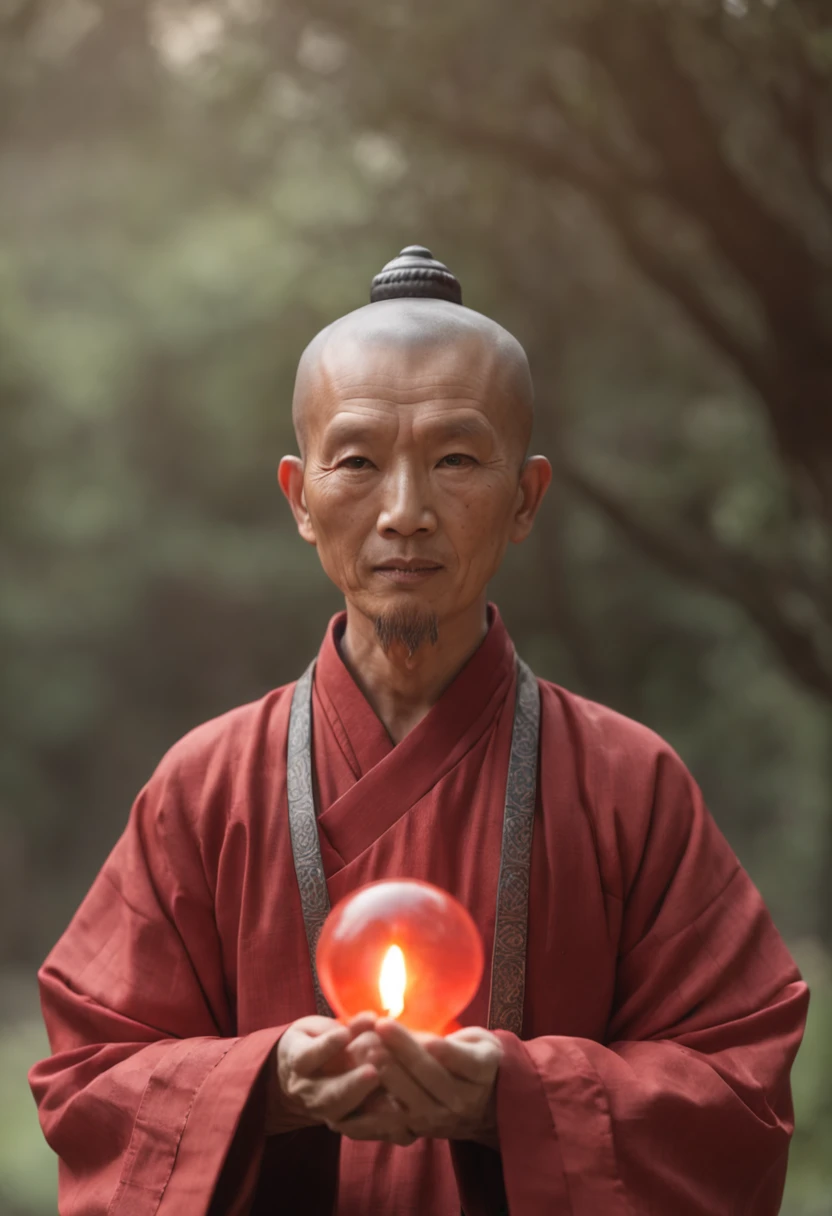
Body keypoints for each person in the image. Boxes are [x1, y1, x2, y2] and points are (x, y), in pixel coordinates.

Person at [30, 246, 808, 1215]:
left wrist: (515, 1100)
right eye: (356, 460)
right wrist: (264, 1084)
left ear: (524, 498)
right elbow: (90, 1076)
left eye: (453, 459)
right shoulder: (206, 784)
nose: (405, 512)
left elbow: (738, 1089)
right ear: (298, 499)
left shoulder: (625, 781)